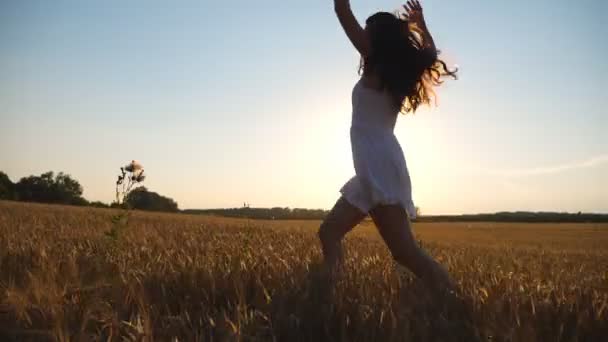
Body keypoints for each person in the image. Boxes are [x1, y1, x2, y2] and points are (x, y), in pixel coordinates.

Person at [318, 0, 458, 296]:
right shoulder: (388, 72)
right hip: (371, 167)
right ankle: (328, 291)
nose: (363, 36)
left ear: (376, 38)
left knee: (405, 252)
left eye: (367, 31)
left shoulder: (376, 62)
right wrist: (420, 24)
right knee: (328, 232)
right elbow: (429, 54)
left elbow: (341, 11)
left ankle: (453, 299)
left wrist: (419, 24)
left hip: (378, 167)